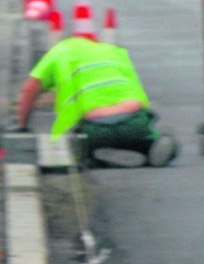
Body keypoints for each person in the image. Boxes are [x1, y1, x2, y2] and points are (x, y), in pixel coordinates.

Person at [16, 35, 179, 167]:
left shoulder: (59, 52)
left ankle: (92, 155)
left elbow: (29, 90)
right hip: (135, 122)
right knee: (147, 135)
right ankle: (150, 145)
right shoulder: (113, 52)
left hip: (94, 129)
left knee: (76, 142)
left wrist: (22, 127)